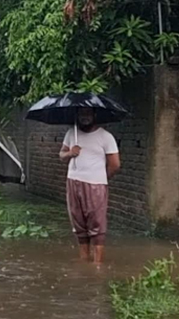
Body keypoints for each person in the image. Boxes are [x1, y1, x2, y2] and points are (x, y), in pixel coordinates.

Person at [59, 107, 120, 264]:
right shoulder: (71, 133)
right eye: (81, 113)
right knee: (78, 222)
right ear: (77, 115)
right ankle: (83, 260)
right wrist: (70, 153)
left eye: (87, 113)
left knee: (97, 223)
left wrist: (100, 178)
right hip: (73, 181)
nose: (84, 117)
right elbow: (61, 155)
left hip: (96, 184)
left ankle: (97, 263)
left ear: (94, 115)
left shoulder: (105, 137)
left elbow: (115, 164)